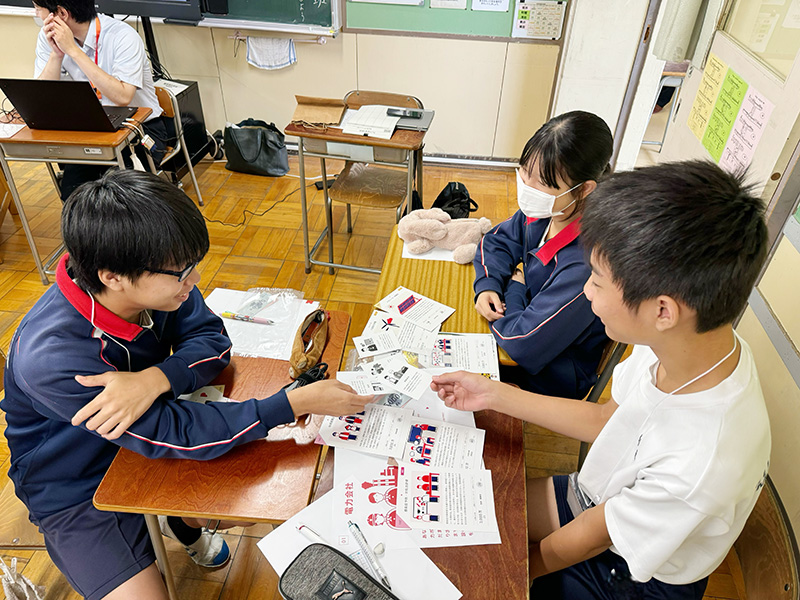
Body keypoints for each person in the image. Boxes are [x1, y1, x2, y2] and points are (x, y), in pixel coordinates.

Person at [1, 169, 372, 600]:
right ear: (113, 277)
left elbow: (212, 342)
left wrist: (156, 378)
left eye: (193, 266)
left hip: (154, 433)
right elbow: (174, 432)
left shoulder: (153, 272)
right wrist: (290, 403)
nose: (193, 282)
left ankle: (184, 521)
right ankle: (174, 525)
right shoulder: (54, 358)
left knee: (261, 495)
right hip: (76, 482)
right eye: (181, 273)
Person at [436, 160, 770, 599]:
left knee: (477, 569)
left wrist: (513, 574)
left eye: (595, 281)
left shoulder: (701, 461)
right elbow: (610, 420)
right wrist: (494, 394)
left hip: (631, 575)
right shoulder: (685, 341)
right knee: (465, 515)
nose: (586, 292)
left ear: (662, 310)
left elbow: (595, 534)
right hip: (600, 496)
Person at [473, 111, 613, 399]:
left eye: (543, 183)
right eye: (525, 171)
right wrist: (487, 285)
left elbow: (522, 343)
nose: (527, 185)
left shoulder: (587, 265)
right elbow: (497, 242)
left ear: (584, 188)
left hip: (550, 374)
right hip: (524, 329)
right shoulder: (551, 210)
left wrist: (514, 287)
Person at [32, 0, 171, 200]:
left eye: (38, 9)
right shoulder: (48, 37)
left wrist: (74, 52)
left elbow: (123, 97)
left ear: (61, 13)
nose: (36, 15)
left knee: (124, 197)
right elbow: (42, 98)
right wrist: (56, 55)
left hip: (138, 129)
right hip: (92, 131)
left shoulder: (122, 36)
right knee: (74, 197)